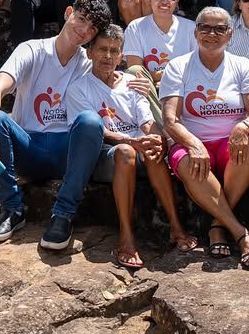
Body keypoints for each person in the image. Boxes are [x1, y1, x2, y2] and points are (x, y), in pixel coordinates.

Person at [0, 0, 112, 249]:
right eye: (81, 19)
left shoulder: (88, 63)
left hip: (66, 150)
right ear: (68, 13)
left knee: (90, 121)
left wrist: (134, 78)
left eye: (92, 29)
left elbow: (118, 77)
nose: (83, 31)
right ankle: (12, 209)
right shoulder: (31, 50)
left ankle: (63, 214)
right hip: (28, 146)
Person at [76, 25, 196, 268]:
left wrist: (157, 139)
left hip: (137, 148)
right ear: (89, 52)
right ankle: (126, 236)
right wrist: (132, 141)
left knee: (151, 149)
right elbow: (94, 131)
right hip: (104, 154)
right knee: (125, 151)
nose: (107, 56)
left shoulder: (131, 82)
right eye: (102, 50)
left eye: (114, 51)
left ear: (121, 56)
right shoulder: (79, 87)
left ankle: (175, 226)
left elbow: (147, 121)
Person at [159, 7, 249, 269]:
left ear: (230, 34)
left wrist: (244, 126)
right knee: (185, 160)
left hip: (231, 143)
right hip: (192, 141)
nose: (212, 34)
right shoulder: (178, 66)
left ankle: (218, 226)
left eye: (220, 29)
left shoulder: (242, 65)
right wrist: (193, 144)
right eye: (205, 27)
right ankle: (240, 233)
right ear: (195, 32)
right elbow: (170, 120)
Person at [123, 0, 196, 91]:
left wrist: (164, 79)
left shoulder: (191, 28)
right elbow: (135, 73)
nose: (165, 1)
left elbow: (197, 70)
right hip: (149, 91)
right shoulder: (135, 28)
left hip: (184, 89)